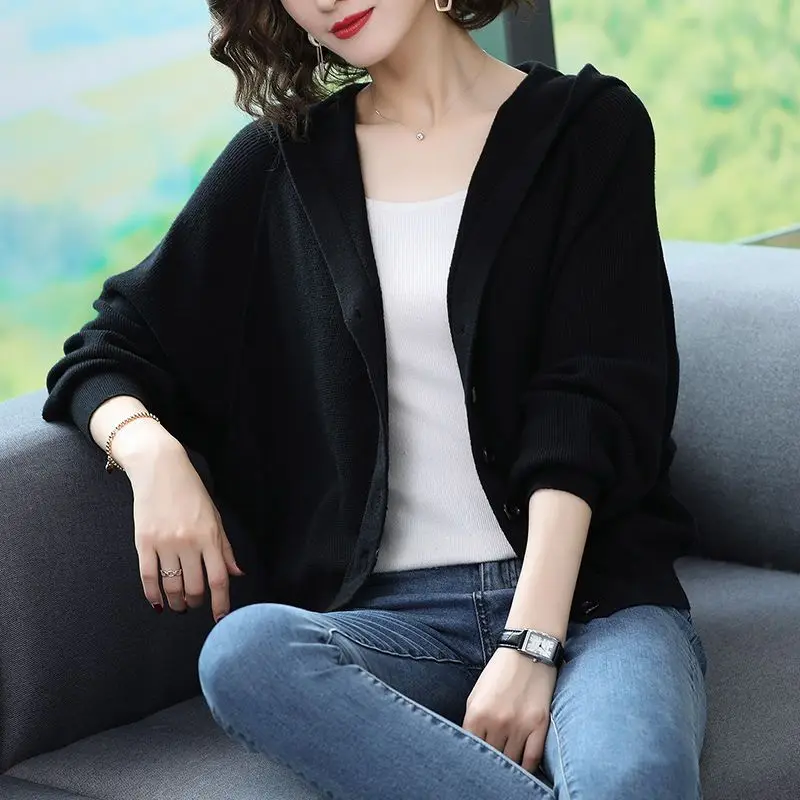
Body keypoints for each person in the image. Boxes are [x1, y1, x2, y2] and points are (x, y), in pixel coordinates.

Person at [42, 0, 708, 797]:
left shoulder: (586, 127)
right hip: (393, 622)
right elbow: (111, 344)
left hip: (592, 602)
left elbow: (591, 399)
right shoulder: (283, 161)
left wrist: (530, 643)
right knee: (246, 655)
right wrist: (149, 451)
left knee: (632, 778)